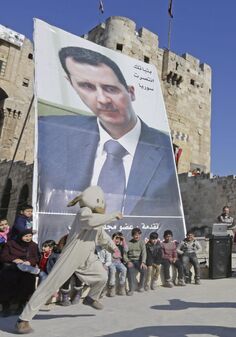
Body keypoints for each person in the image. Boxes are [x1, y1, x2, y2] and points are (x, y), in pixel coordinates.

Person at [37, 46, 181, 217]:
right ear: (73, 87)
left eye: (111, 89)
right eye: (87, 86)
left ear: (131, 92)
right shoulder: (51, 131)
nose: (102, 100)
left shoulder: (165, 149)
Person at [16, 186, 122, 334]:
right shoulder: (84, 212)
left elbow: (102, 236)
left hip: (88, 256)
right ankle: (23, 319)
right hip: (72, 255)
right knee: (50, 285)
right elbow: (90, 222)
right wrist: (112, 216)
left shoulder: (97, 220)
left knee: (102, 277)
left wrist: (113, 248)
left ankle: (91, 298)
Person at [0, 230, 39, 317]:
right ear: (20, 236)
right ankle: (6, 307)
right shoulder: (10, 244)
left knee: (28, 280)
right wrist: (14, 259)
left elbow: (36, 258)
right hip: (11, 268)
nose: (28, 238)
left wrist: (29, 262)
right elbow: (3, 256)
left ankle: (21, 305)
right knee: (6, 279)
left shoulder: (33, 245)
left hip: (25, 269)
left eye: (30, 236)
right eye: (26, 236)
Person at [124, 228, 147, 295]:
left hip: (138, 261)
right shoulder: (128, 243)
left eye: (139, 235)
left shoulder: (142, 243)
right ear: (132, 235)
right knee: (130, 272)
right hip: (130, 261)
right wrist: (128, 261)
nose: (137, 236)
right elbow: (124, 255)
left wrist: (143, 262)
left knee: (144, 270)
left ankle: (141, 286)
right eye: (136, 235)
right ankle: (131, 289)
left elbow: (144, 253)